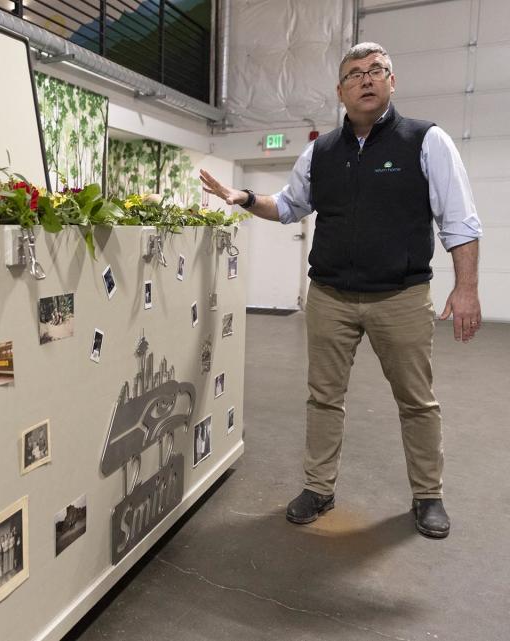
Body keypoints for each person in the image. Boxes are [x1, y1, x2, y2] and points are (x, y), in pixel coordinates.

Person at [200, 42, 482, 539]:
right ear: (340, 91)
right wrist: (241, 197)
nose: (366, 79)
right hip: (330, 296)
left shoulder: (426, 141)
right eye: (355, 74)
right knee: (323, 398)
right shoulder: (320, 152)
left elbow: (459, 220)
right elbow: (288, 205)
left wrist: (467, 288)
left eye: (377, 71)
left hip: (400, 296)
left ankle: (428, 494)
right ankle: (319, 487)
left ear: (392, 81)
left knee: (416, 401)